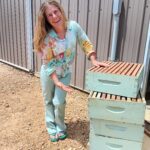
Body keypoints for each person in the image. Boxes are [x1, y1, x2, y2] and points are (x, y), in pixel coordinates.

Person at [33, 0, 108, 142]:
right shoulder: (47, 37)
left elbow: (84, 41)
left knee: (59, 101)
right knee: (48, 100)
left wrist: (93, 59)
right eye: (50, 15)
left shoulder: (73, 27)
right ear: (46, 19)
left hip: (65, 72)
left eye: (56, 11)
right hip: (50, 73)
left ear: (60, 10)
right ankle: (51, 128)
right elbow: (47, 62)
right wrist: (56, 82)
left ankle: (60, 127)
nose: (54, 16)